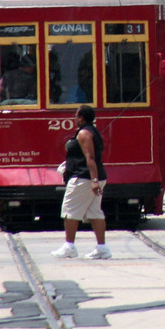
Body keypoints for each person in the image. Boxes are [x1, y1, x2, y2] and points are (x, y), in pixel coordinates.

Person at [52, 105, 112, 259]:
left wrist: (93, 180)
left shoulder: (84, 133)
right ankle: (102, 248)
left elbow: (90, 158)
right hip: (93, 177)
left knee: (69, 211)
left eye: (76, 115)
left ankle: (69, 246)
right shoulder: (92, 131)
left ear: (82, 117)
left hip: (84, 178)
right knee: (94, 212)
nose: (74, 118)